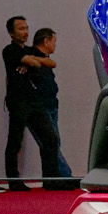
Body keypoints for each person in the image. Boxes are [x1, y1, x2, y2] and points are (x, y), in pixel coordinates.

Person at [0, 17, 62, 192]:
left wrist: (30, 60)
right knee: (15, 142)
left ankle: (51, 180)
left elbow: (51, 63)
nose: (25, 32)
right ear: (11, 33)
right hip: (18, 102)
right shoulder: (9, 50)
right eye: (21, 29)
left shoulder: (29, 50)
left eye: (26, 28)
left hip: (34, 101)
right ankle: (13, 181)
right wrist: (31, 61)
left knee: (50, 139)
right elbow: (34, 62)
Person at [26, 30, 73, 190]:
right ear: (46, 41)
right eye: (54, 41)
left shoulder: (42, 59)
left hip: (51, 104)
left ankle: (56, 177)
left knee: (53, 142)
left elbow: (51, 64)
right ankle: (63, 176)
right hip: (41, 106)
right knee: (51, 142)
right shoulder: (31, 56)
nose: (55, 45)